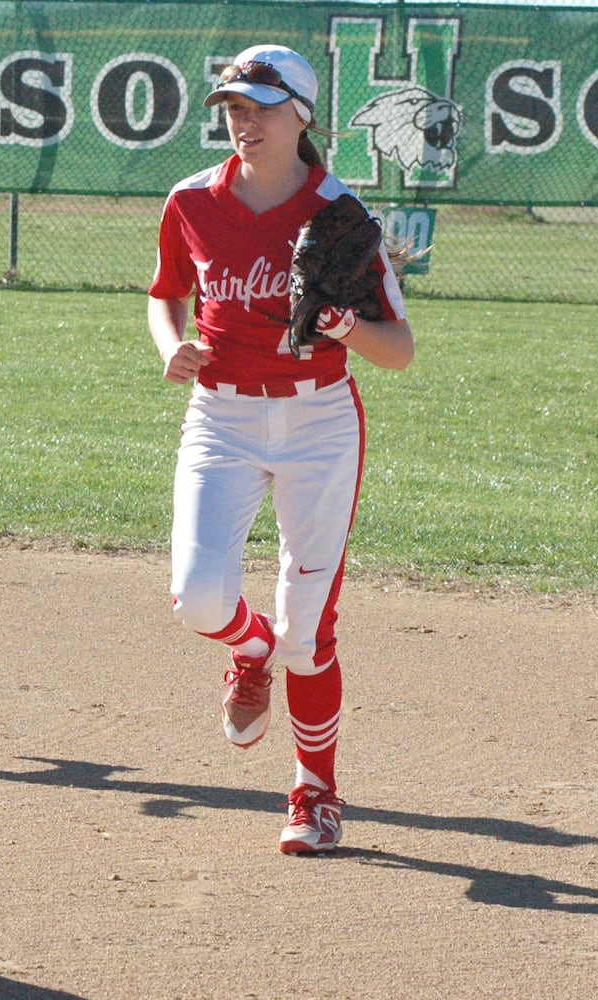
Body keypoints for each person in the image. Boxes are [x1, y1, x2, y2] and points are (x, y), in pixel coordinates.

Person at [146, 44, 414, 855]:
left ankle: (315, 792)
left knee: (310, 632)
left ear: (301, 116)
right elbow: (165, 294)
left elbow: (397, 348)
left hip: (317, 424)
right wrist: (168, 343)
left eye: (259, 106)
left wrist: (341, 324)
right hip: (219, 417)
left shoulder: (340, 214)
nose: (241, 121)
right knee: (196, 597)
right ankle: (248, 648)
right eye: (231, 106)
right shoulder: (192, 200)